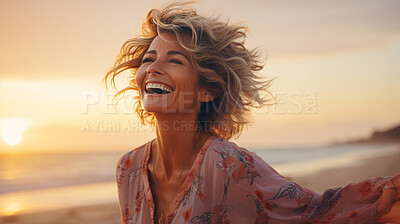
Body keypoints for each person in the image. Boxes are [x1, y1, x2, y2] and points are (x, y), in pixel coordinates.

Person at [105, 2, 400, 224]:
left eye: (176, 61)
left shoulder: (229, 164)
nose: (153, 67)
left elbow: (313, 210)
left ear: (207, 91)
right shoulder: (128, 169)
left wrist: (384, 200)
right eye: (149, 58)